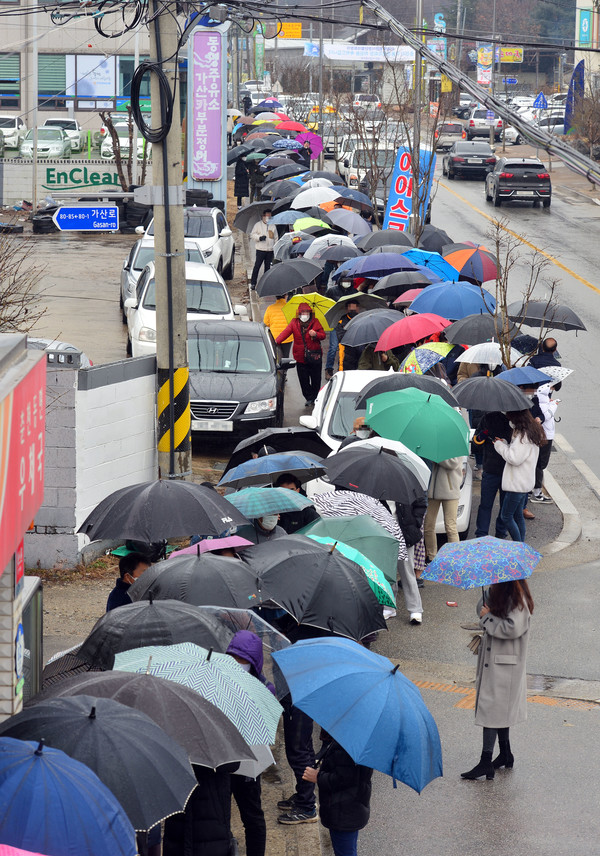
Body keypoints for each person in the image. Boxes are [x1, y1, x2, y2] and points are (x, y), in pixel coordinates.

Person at [461, 579, 534, 781]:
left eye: (494, 582)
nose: (491, 583)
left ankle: (486, 761)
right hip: (499, 663)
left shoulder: (518, 601)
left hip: (505, 667)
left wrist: (487, 618)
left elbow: (511, 628)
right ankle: (505, 753)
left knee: (492, 710)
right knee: (499, 709)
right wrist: (486, 599)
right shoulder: (503, 595)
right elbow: (482, 610)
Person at [227, 631, 275, 856]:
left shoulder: (265, 690)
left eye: (242, 661)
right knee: (221, 815)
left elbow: (267, 730)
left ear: (253, 662)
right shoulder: (221, 678)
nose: (237, 664)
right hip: (223, 758)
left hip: (248, 764)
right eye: (234, 659)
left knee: (252, 817)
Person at [302, 730, 372, 856]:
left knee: (345, 852)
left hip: (344, 810)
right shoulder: (360, 738)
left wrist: (318, 776)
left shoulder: (349, 744)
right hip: (350, 807)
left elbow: (345, 778)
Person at [493, 410, 546, 542]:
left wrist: (499, 446)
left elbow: (514, 458)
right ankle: (521, 545)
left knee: (506, 516)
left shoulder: (523, 436)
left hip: (516, 483)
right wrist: (506, 443)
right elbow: (518, 452)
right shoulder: (531, 433)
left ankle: (519, 546)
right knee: (518, 516)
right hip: (524, 482)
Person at [276, 303, 326, 406]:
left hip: (314, 356)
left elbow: (323, 335)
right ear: (299, 314)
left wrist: (316, 334)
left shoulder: (315, 322)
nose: (304, 315)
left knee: (316, 378)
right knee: (303, 379)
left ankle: (315, 397)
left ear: (310, 313)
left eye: (306, 312)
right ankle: (308, 397)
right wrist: (275, 342)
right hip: (300, 357)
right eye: (302, 313)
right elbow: (285, 333)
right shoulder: (294, 323)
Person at [473, 411, 512, 539]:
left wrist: (483, 437)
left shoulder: (490, 418)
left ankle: (483, 534)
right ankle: (497, 533)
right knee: (500, 505)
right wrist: (483, 436)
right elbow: (476, 443)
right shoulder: (489, 419)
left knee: (487, 504)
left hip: (494, 469)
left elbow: (476, 445)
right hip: (502, 469)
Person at [423, 456, 464, 562]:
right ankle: (432, 557)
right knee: (428, 525)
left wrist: (437, 458)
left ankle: (455, 558)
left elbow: (453, 463)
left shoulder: (456, 444)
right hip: (432, 491)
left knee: (450, 526)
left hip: (450, 491)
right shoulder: (436, 444)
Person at [531, 382, 558, 503]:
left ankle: (532, 490)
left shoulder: (539, 399)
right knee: (540, 464)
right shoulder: (542, 399)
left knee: (537, 464)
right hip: (545, 435)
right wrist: (554, 405)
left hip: (543, 434)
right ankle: (536, 493)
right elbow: (545, 416)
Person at [250, 210, 275, 289]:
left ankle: (266, 284)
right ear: (263, 216)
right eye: (267, 216)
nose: (268, 218)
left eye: (270, 216)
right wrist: (259, 238)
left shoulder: (273, 226)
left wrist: (275, 246)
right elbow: (252, 235)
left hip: (270, 250)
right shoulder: (258, 225)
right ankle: (253, 283)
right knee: (257, 266)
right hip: (260, 249)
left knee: (267, 268)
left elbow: (275, 237)